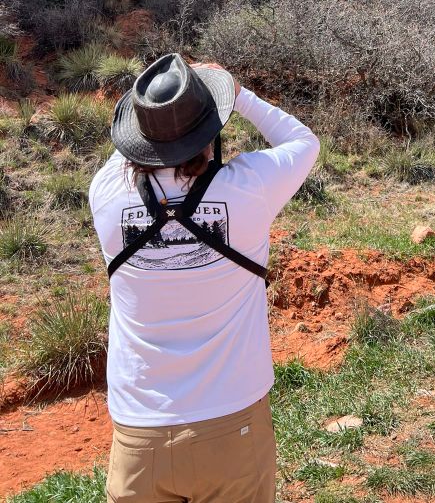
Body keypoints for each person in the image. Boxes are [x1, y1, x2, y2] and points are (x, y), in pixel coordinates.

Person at [89, 53, 320, 503]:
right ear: (211, 131)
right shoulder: (250, 186)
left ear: (141, 138)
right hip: (233, 421)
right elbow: (302, 141)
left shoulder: (104, 193)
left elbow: (126, 156)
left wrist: (157, 116)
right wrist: (237, 95)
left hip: (140, 430)